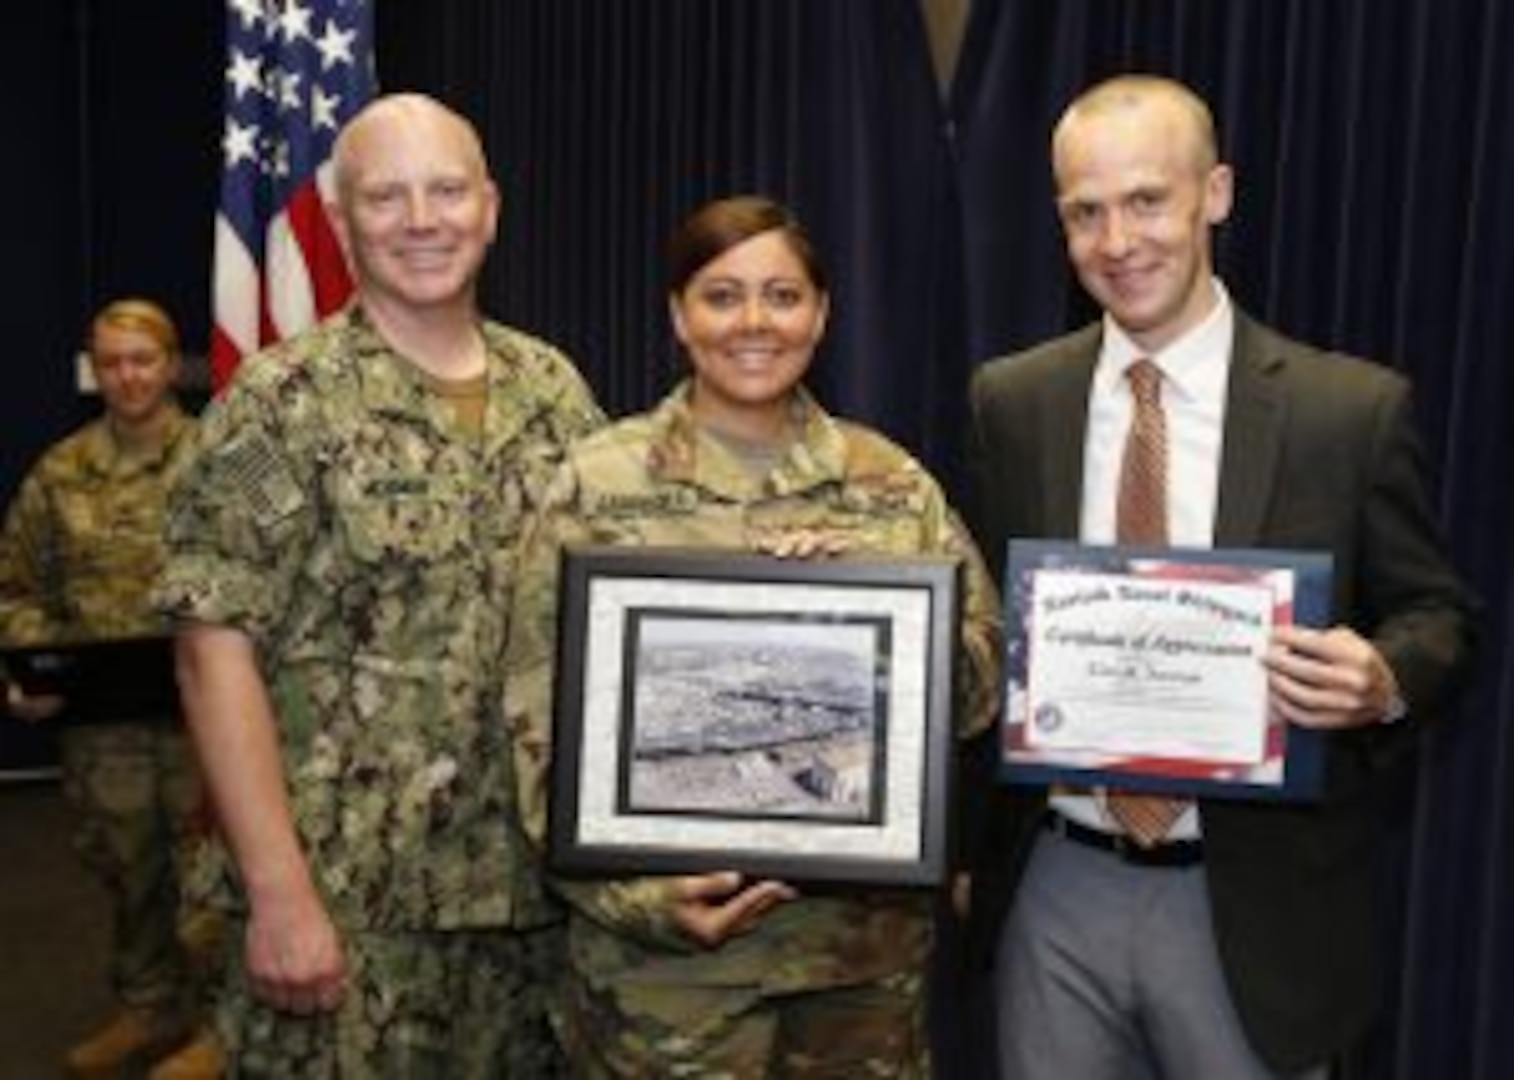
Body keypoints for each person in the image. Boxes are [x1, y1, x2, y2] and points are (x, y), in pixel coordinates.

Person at [961, 74, 1478, 1078]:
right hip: (1055, 884)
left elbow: (1437, 614)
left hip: (1256, 902)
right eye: (1083, 212)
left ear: (1216, 193)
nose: (1116, 241)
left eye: (1146, 199)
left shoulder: (1347, 410)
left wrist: (1381, 678)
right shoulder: (1011, 403)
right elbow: (983, 628)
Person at [155, 93, 604, 1076]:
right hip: (351, 900)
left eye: (446, 190)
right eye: (386, 196)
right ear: (342, 221)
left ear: (489, 206)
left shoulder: (556, 392)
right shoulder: (278, 407)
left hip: (531, 901)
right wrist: (279, 897)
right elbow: (210, 652)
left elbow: (608, 613)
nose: (422, 219)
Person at [503, 194, 1003, 1076]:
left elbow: (982, 687)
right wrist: (636, 897)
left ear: (822, 313)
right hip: (664, 972)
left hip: (859, 961)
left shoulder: (891, 484)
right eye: (722, 295)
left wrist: (865, 622)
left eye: (782, 295)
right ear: (678, 314)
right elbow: (535, 716)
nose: (754, 322)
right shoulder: (595, 483)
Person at [0, 298, 224, 1079]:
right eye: (112, 363)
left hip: (213, 718)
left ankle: (222, 1028)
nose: (128, 376)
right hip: (106, 724)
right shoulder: (60, 474)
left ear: (171, 364)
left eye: (143, 359)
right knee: (129, 871)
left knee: (214, 878)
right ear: (95, 372)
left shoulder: (217, 458)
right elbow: (17, 590)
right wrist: (32, 668)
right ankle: (148, 1008)